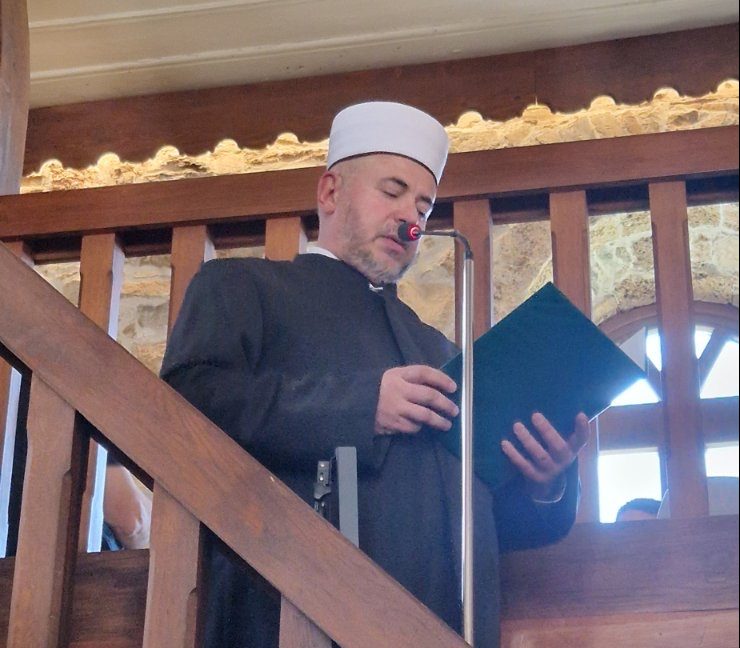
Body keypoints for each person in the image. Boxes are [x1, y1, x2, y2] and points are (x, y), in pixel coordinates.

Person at [161, 101, 590, 648]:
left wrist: (546, 482)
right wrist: (363, 407)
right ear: (330, 193)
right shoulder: (244, 288)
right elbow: (185, 410)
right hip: (290, 619)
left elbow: (487, 526)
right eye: (392, 192)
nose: (411, 220)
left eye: (424, 206)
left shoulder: (439, 350)